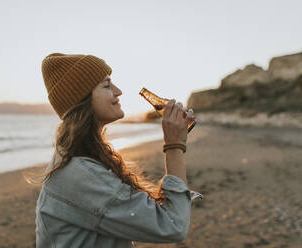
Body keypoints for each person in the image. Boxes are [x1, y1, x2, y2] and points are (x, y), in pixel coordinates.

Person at [34, 53, 200, 248]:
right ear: (83, 100)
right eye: (106, 85)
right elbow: (173, 225)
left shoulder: (84, 159)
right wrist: (174, 145)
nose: (118, 91)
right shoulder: (80, 174)